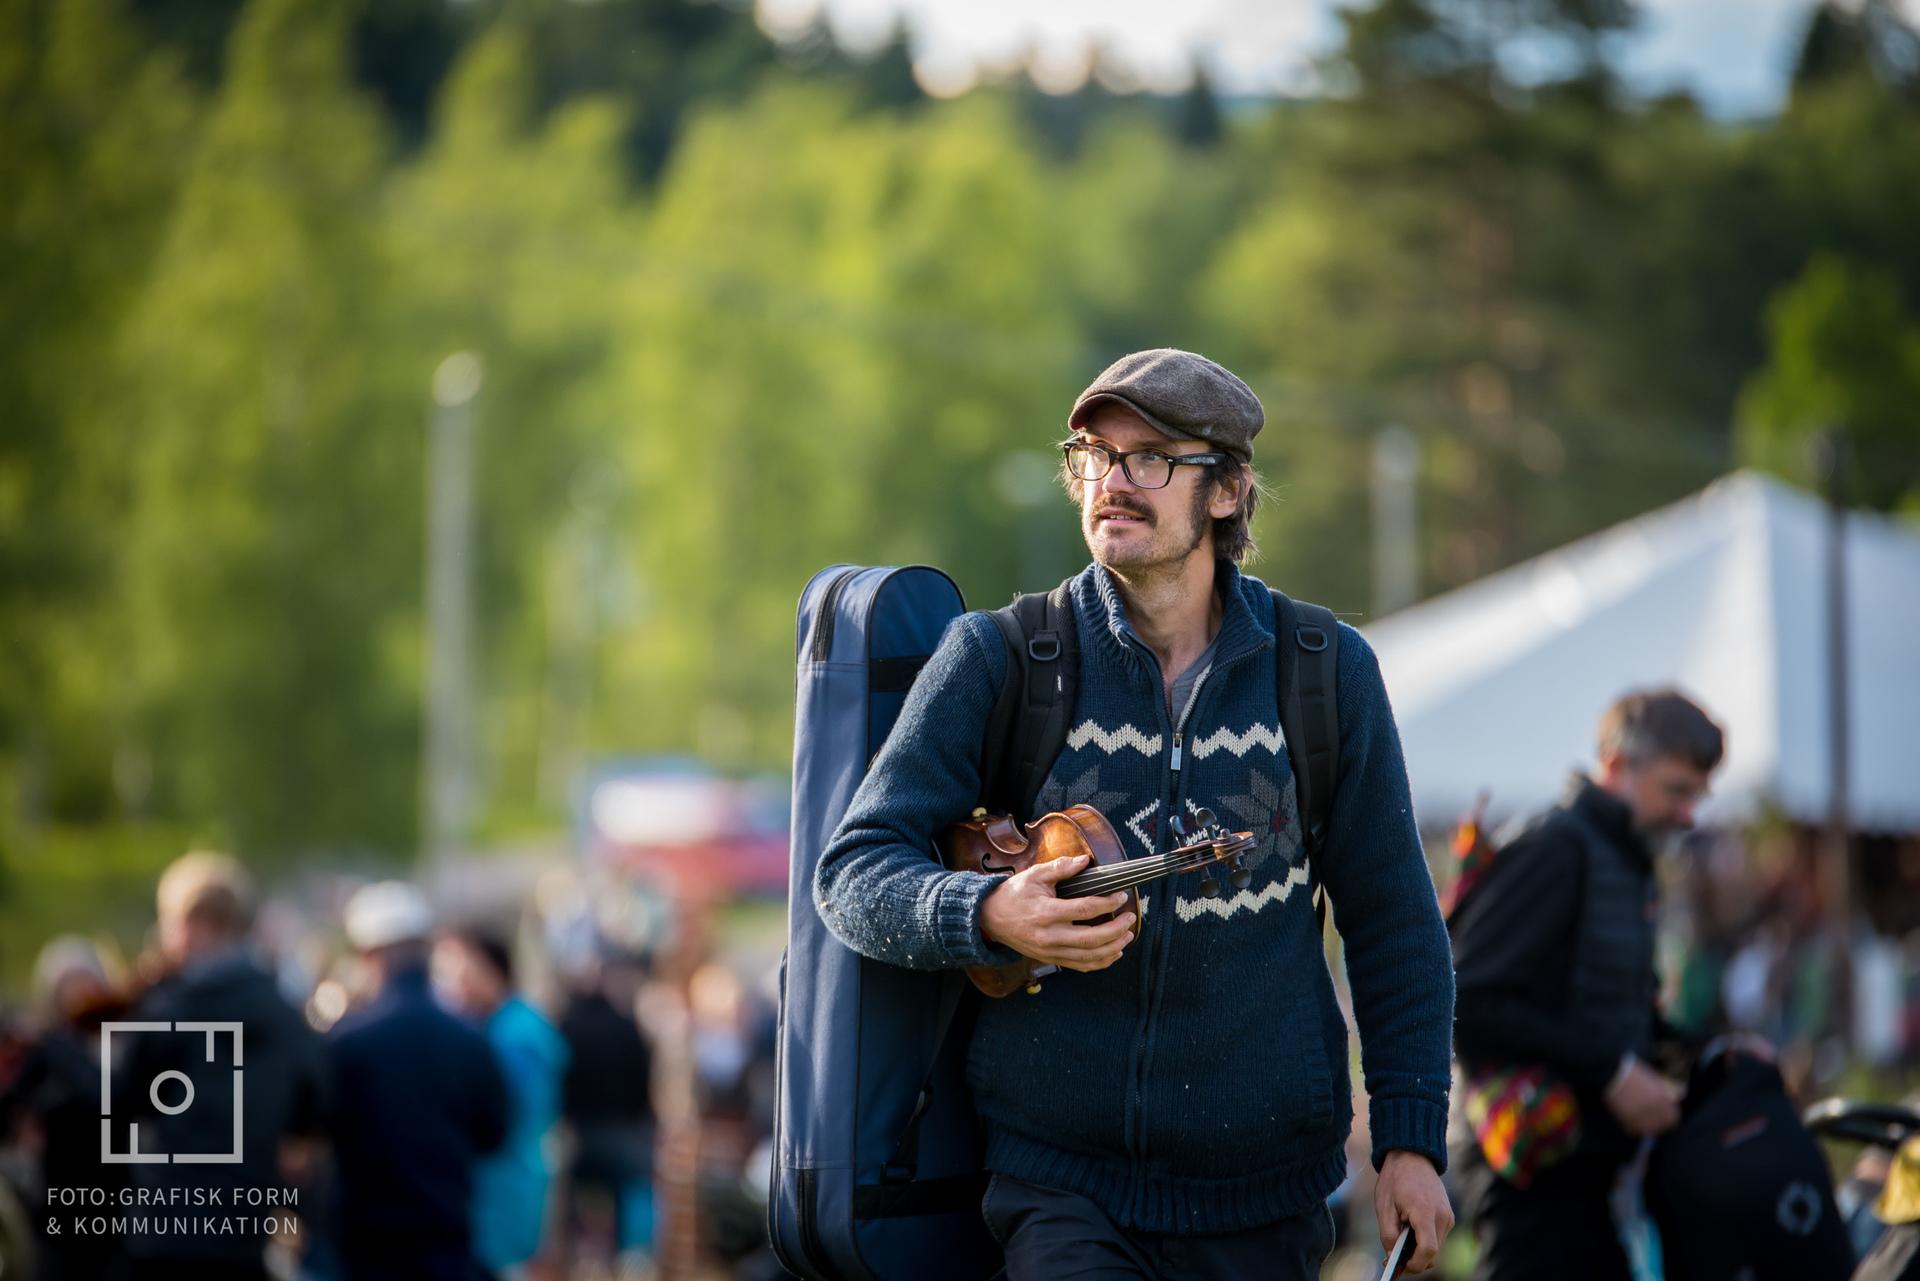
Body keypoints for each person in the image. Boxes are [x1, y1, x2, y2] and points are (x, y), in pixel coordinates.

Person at [814, 349, 1456, 1278]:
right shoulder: (998, 658)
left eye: (1151, 457)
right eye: (1093, 454)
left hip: (1268, 1205)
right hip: (1061, 1192)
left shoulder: (1324, 670)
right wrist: (987, 913)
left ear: (1228, 491)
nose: (1112, 481)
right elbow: (851, 871)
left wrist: (1411, 1139)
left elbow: (1396, 925)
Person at [1449, 689, 1727, 1281]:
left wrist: (1710, 1053)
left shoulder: (1623, 861)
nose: (1688, 815)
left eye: (1697, 797)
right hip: (1528, 1175)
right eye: (1677, 790)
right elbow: (1468, 1001)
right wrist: (1612, 1073)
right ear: (1616, 765)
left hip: (1585, 1177)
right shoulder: (1556, 847)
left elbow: (1613, 1012)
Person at [111, 852, 328, 1281]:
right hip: (245, 1230)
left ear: (197, 924)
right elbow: (315, 1108)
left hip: (168, 1231)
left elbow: (121, 1106)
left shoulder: (169, 1009)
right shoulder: (282, 1013)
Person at [327, 883, 507, 1281]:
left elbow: (320, 1130)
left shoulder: (347, 1042)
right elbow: (494, 1134)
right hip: (446, 1242)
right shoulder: (470, 1038)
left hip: (366, 1247)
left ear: (369, 955)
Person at [433, 926, 569, 1279]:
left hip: (504, 1190)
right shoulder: (500, 1024)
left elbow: (513, 1115)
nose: (450, 980)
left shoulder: (517, 1032)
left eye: (457, 966)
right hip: (497, 1189)